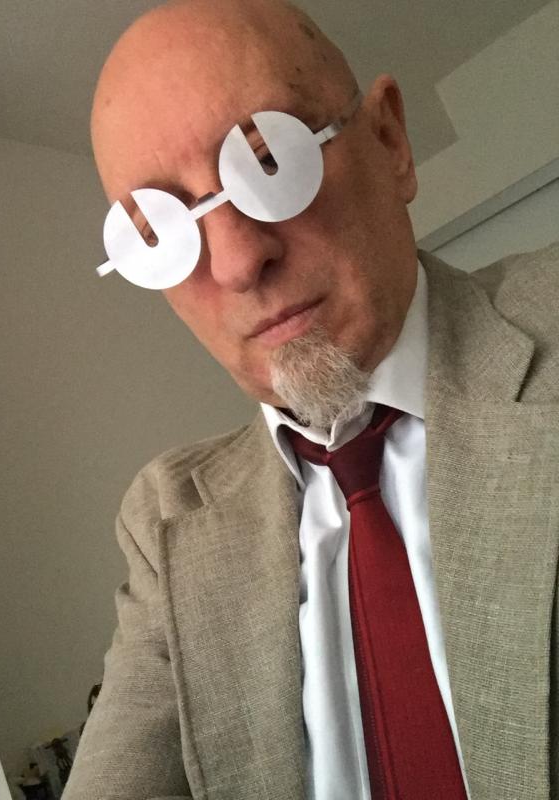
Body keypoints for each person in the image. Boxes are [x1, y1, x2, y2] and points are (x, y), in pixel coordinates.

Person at [64, 0, 559, 798]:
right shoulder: (167, 521)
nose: (235, 262)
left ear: (390, 142)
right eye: (158, 231)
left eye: (269, 163)